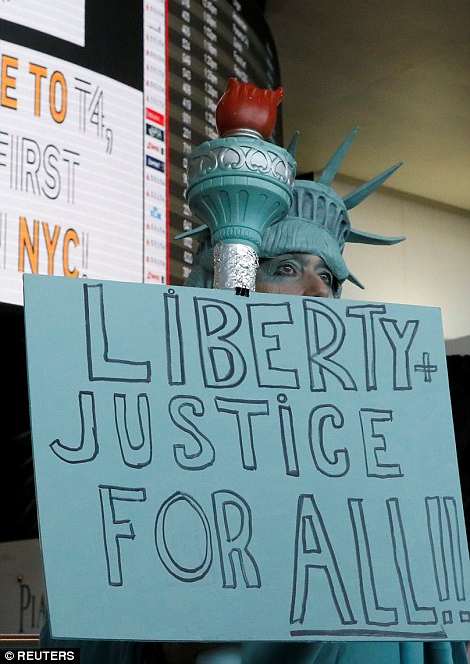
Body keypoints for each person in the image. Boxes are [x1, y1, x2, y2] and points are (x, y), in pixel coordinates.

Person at [40, 144, 469, 663]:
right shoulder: (135, 475)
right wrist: (159, 644)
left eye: (329, 277)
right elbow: (69, 642)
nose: (317, 292)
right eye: (286, 268)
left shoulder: (394, 490)